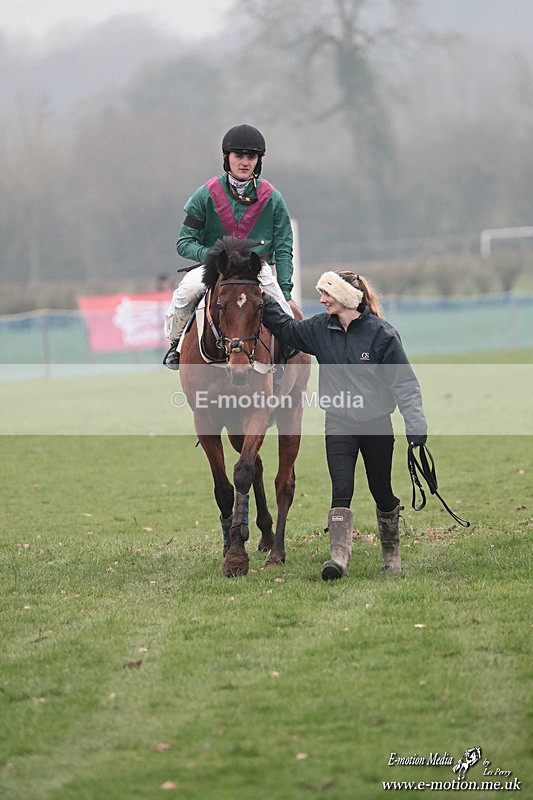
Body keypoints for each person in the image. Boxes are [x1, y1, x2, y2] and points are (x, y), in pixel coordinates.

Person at [260, 270, 428, 580]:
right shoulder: (319, 329)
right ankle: (338, 559)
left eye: (327, 293)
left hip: (376, 424)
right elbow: (286, 329)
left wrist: (416, 426)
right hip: (338, 423)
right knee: (341, 489)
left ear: (346, 297)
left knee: (382, 491)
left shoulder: (382, 334)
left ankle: (391, 555)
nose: (322, 299)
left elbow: (404, 383)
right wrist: (260, 295)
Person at [163, 124, 294, 368]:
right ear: (227, 157)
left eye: (251, 157)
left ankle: (287, 356)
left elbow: (284, 249)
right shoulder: (205, 194)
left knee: (286, 313)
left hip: (256, 269)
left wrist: (286, 290)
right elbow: (184, 243)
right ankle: (176, 343)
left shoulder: (273, 198)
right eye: (239, 156)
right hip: (215, 268)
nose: (245, 162)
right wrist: (214, 256)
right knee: (186, 292)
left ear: (258, 160)